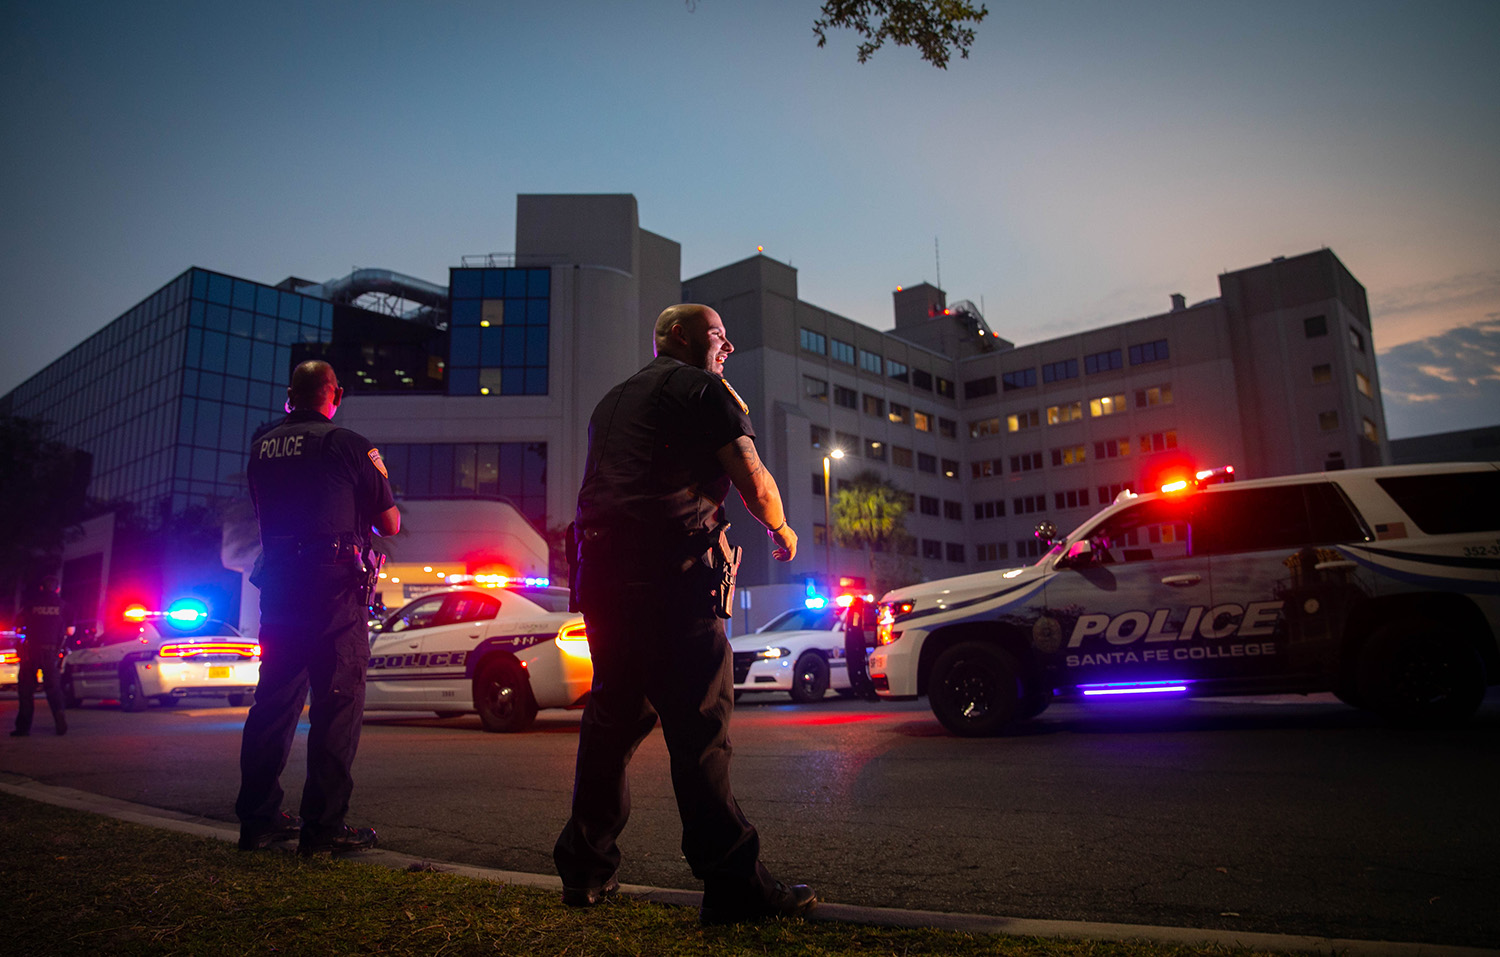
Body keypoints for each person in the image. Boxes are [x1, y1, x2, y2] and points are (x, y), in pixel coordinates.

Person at [553, 304, 817, 925]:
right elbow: (752, 478)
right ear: (678, 336)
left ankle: (585, 871)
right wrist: (779, 526)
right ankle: (732, 885)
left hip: (606, 581)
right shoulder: (705, 390)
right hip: (675, 583)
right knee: (700, 732)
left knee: (611, 721)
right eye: (718, 336)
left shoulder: (611, 403)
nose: (727, 347)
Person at [235, 360, 400, 855]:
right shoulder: (349, 445)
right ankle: (323, 826)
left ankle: (258, 819)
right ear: (335, 394)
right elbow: (389, 523)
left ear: (290, 396)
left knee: (274, 702)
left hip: (281, 586)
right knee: (336, 702)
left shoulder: (262, 448)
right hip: (333, 590)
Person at [10, 575, 73, 737]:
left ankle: (23, 728)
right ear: (57, 589)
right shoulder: (65, 606)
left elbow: (17, 629)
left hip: (30, 651)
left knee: (25, 689)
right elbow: (70, 631)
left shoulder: (29, 605)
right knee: (53, 688)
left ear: (41, 588)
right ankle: (59, 718)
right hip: (51, 652)